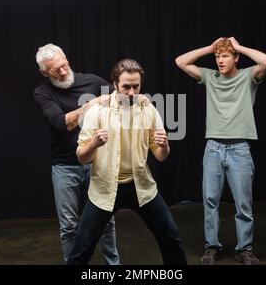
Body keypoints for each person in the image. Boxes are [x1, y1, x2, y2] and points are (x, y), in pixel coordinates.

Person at [67, 58, 187, 265]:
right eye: (126, 87)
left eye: (136, 86)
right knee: (82, 247)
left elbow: (160, 156)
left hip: (140, 186)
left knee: (170, 238)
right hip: (105, 188)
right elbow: (82, 157)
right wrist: (94, 144)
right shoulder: (98, 111)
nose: (132, 93)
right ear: (115, 84)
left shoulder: (148, 109)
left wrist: (165, 145)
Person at [175, 37, 266, 265]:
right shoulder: (210, 77)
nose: (220, 60)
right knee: (210, 201)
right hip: (213, 149)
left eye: (225, 55)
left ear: (236, 58)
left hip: (240, 149)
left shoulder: (248, 77)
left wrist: (237, 46)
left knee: (243, 204)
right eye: (218, 56)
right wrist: (210, 48)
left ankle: (245, 249)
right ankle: (211, 247)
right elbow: (180, 61)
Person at [34, 43, 120, 264]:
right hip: (65, 167)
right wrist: (90, 106)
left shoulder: (92, 80)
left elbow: (119, 101)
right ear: (45, 72)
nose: (63, 72)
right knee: (69, 226)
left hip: (97, 162)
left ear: (66, 59)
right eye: (56, 70)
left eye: (64, 65)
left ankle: (114, 265)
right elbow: (60, 124)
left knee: (106, 220)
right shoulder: (43, 92)